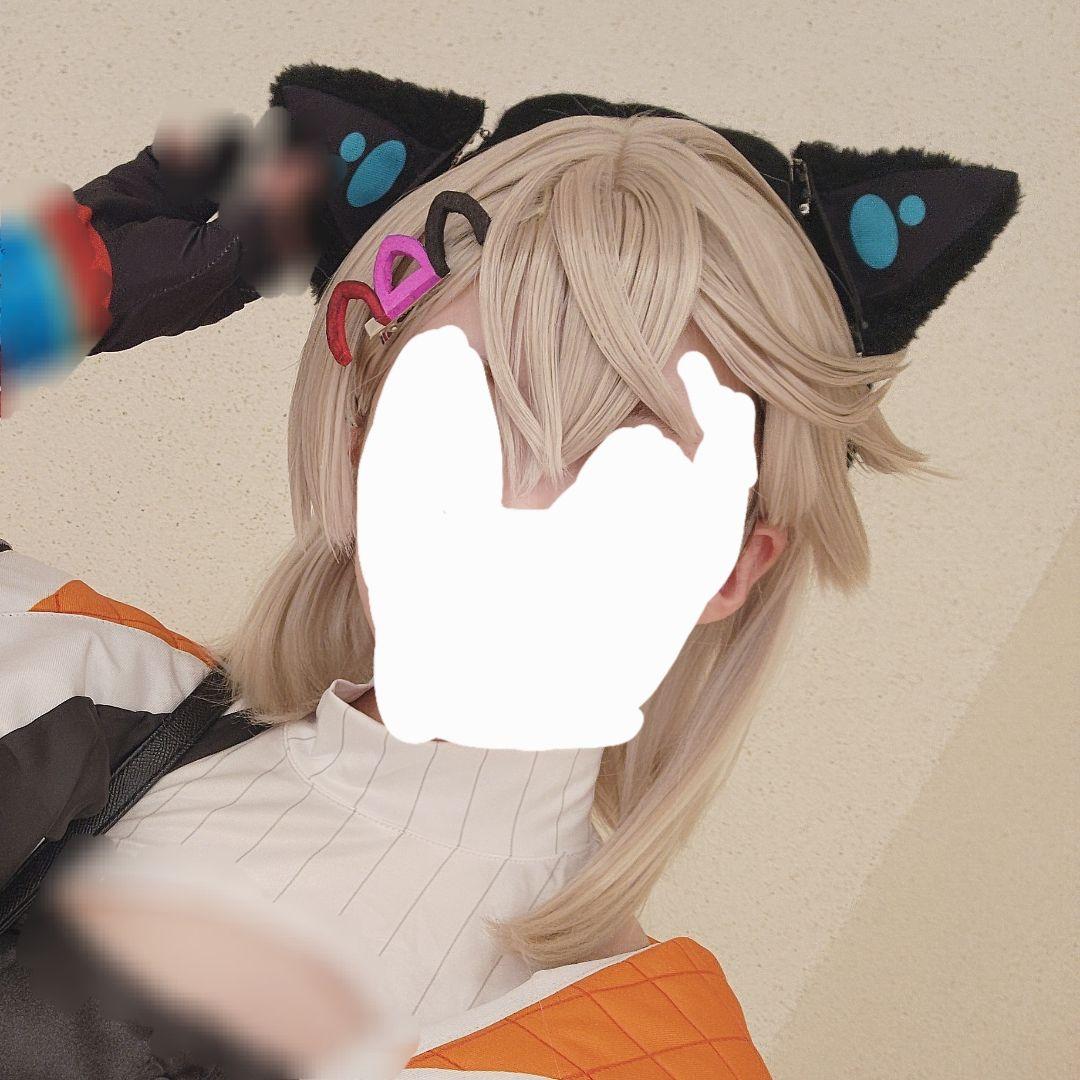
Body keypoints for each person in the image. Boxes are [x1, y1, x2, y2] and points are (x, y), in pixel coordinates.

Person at [0, 63, 1021, 1079]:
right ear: (359, 456)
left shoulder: (661, 1056)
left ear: (734, 565)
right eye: (457, 417)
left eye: (638, 461)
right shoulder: (87, 694)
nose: (520, 508)